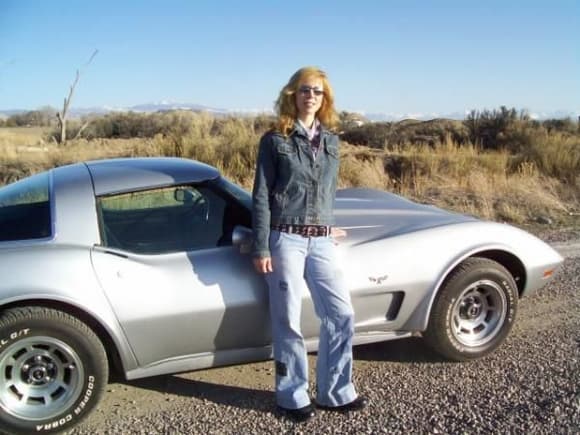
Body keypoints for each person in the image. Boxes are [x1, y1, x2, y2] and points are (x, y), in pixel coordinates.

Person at [252, 66, 367, 422]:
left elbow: (326, 191)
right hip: (285, 238)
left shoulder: (332, 141)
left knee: (341, 314)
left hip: (320, 240)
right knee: (288, 320)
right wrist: (261, 246)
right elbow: (261, 195)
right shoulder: (275, 140)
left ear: (325, 99)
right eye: (305, 90)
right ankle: (291, 395)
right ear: (292, 94)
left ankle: (335, 391)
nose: (311, 96)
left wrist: (325, 224)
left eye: (318, 92)